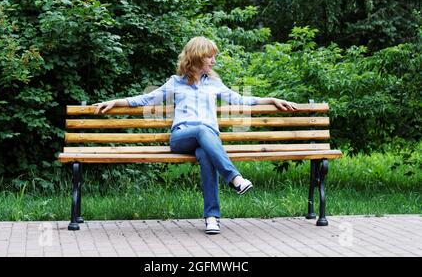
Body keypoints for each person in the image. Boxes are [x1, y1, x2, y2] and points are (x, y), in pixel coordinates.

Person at [93, 36, 297, 234]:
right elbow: (145, 100)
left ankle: (211, 218)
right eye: (210, 57)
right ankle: (234, 178)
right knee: (201, 129)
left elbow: (240, 100)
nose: (214, 61)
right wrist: (115, 102)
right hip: (182, 138)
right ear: (198, 57)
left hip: (207, 142)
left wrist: (271, 99)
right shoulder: (175, 82)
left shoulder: (214, 83)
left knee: (207, 154)